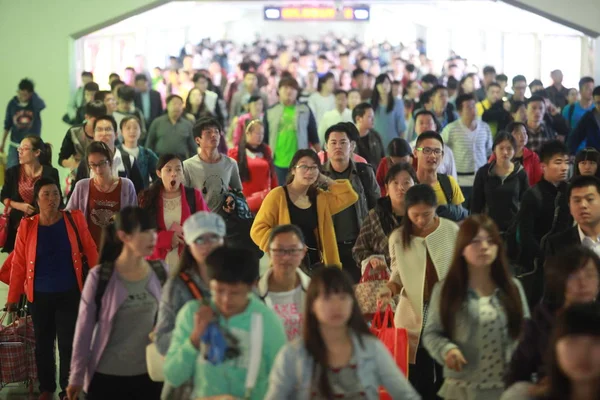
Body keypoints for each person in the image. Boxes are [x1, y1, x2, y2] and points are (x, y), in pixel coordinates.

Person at [264, 266, 421, 400]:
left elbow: (405, 395)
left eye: (342, 297)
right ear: (312, 305)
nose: (336, 305)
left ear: (353, 302)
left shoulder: (371, 348)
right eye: (327, 297)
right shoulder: (292, 355)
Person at [6, 177, 98, 400]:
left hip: (70, 293)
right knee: (43, 345)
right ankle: (46, 387)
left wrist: (100, 283)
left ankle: (68, 388)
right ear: (37, 199)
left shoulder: (74, 219)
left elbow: (91, 250)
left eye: (55, 193)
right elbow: (18, 263)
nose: (52, 199)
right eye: (46, 194)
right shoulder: (27, 226)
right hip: (38, 296)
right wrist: (12, 298)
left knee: (68, 343)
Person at [423, 215, 530, 400]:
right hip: (463, 389)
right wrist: (446, 350)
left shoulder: (512, 287)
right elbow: (432, 333)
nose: (484, 247)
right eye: (475, 241)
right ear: (462, 248)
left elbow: (526, 332)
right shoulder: (446, 289)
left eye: (490, 241)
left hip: (507, 388)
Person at [67, 207, 166, 400]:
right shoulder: (100, 277)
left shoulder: (160, 272)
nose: (153, 237)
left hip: (150, 376)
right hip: (106, 378)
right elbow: (84, 330)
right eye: (145, 231)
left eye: (154, 230)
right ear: (124, 236)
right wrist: (76, 377)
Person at [163, 246, 287, 400]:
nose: (226, 300)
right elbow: (173, 376)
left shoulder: (268, 322)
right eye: (219, 290)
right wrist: (194, 339)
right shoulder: (192, 313)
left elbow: (283, 385)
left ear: (252, 286)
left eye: (235, 292)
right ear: (210, 284)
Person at [382, 183, 459, 399]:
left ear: (436, 208)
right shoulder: (398, 237)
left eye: (427, 214)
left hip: (445, 309)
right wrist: (390, 288)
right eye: (415, 215)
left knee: (446, 365)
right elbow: (397, 273)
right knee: (418, 369)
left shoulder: (451, 231)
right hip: (414, 311)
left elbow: (461, 270)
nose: (421, 220)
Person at [153, 211, 225, 400]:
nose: (208, 245)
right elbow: (161, 341)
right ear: (189, 245)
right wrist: (192, 333)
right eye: (200, 240)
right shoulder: (177, 286)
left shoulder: (238, 281)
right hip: (191, 381)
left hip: (229, 379)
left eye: (214, 237)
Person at [506, 246, 600, 387]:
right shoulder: (542, 322)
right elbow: (516, 373)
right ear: (560, 281)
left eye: (590, 274)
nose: (583, 283)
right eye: (573, 275)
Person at [251, 149, 358, 271]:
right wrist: (284, 247)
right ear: (293, 170)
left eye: (314, 167)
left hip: (320, 267)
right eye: (303, 166)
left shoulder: (320, 197)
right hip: (288, 266)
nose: (309, 171)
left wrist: (324, 179)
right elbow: (257, 230)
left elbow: (349, 196)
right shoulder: (278, 195)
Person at [500, 302, 600, 400]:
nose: (583, 353)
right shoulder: (522, 396)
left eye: (596, 342)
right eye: (573, 342)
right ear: (555, 348)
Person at [321, 122, 381, 282]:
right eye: (333, 143)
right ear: (326, 146)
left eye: (343, 142)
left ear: (352, 146)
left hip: (359, 246)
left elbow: (377, 210)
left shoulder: (364, 173)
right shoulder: (318, 176)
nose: (338, 147)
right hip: (329, 247)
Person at [517, 140, 572, 308]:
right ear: (543, 166)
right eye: (558, 162)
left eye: (566, 162)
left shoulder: (570, 192)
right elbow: (525, 235)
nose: (564, 167)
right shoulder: (533, 195)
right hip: (538, 267)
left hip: (565, 264)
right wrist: (545, 258)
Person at [139, 154, 209, 266]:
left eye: (178, 169)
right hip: (157, 263)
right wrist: (167, 238)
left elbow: (207, 225)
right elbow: (141, 233)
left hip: (188, 262)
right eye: (168, 170)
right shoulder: (147, 198)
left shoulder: (194, 195)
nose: (174, 174)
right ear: (159, 173)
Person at [66, 141, 138, 247]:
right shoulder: (82, 186)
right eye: (93, 165)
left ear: (110, 161)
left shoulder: (126, 186)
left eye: (101, 163)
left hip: (118, 248)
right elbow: (69, 217)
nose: (98, 169)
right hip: (89, 249)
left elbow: (134, 219)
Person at [1, 136, 60, 253]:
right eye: (19, 149)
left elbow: (58, 199)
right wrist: (19, 205)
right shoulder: (12, 172)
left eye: (25, 148)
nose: (20, 152)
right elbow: (3, 196)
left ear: (37, 152)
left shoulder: (50, 172)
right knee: (16, 265)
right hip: (16, 228)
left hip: (42, 226)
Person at [353, 162, 416, 272]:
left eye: (406, 182)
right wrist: (372, 259)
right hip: (385, 280)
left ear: (414, 185)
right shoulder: (375, 216)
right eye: (395, 183)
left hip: (417, 277)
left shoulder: (420, 214)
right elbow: (358, 251)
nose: (401, 187)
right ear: (387, 187)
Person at [257, 224, 311, 341]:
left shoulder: (316, 290)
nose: (286, 257)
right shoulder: (254, 294)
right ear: (269, 252)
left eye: (292, 250)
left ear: (303, 251)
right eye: (279, 250)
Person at [264, 76, 321, 185]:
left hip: (300, 162)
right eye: (285, 87)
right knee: (281, 193)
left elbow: (314, 136)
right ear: (278, 91)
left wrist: (322, 158)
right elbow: (265, 138)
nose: (288, 91)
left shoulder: (305, 110)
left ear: (297, 92)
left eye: (292, 88)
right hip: (277, 162)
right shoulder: (271, 111)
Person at [471, 132, 529, 232]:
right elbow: (476, 204)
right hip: (489, 229)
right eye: (501, 148)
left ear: (514, 151)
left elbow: (526, 204)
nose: (505, 152)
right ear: (494, 150)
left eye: (509, 148)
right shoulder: (484, 172)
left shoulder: (520, 173)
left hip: (513, 229)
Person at [183, 116, 243, 211]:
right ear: (198, 140)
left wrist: (232, 198)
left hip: (224, 220)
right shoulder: (188, 166)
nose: (213, 135)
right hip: (199, 219)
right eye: (208, 132)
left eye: (216, 131)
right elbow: (183, 196)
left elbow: (238, 192)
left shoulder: (230, 163)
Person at [441, 94, 493, 204]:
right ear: (459, 112)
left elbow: (489, 151)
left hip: (481, 180)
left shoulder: (485, 127)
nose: (473, 109)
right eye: (468, 107)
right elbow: (441, 150)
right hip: (460, 182)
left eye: (474, 106)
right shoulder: (451, 129)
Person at [73, 115, 144, 194]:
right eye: (99, 129)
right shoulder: (85, 162)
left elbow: (139, 192)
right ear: (93, 135)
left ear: (116, 135)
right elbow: (76, 193)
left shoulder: (129, 160)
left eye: (108, 129)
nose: (104, 133)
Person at [412, 131, 468, 221]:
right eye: (427, 150)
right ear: (415, 152)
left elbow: (460, 217)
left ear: (442, 155)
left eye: (437, 151)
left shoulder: (449, 182)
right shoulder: (407, 184)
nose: (432, 155)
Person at [227, 119, 277, 213]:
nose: (260, 137)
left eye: (262, 134)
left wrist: (275, 192)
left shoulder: (266, 150)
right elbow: (230, 180)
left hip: (264, 199)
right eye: (257, 133)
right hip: (245, 200)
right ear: (247, 133)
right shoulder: (235, 153)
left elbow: (272, 176)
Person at [59, 101, 107, 196]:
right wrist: (74, 164)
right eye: (95, 120)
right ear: (86, 117)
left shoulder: (106, 134)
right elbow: (61, 159)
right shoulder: (74, 132)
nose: (98, 124)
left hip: (102, 178)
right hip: (77, 178)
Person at [1, 78, 46, 168]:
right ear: (19, 92)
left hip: (31, 146)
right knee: (12, 171)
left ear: (31, 94)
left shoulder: (34, 104)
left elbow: (42, 105)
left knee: (29, 171)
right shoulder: (12, 104)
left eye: (27, 94)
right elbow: (7, 124)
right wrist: (2, 143)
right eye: (22, 93)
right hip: (15, 144)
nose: (24, 96)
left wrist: (33, 95)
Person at [488, 122, 543, 187]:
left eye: (525, 133)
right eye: (517, 133)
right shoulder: (497, 154)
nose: (523, 136)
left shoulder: (533, 156)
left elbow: (538, 180)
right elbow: (489, 176)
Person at [146, 94, 196, 160]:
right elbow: (149, 144)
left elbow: (192, 148)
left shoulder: (187, 124)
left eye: (180, 104)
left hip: (181, 161)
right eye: (174, 104)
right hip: (159, 161)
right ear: (167, 106)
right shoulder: (157, 122)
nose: (177, 107)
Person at [410, 109, 457, 179]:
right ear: (415, 128)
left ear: (435, 126)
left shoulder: (446, 151)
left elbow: (452, 178)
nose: (425, 126)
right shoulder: (409, 148)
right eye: (421, 123)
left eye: (429, 123)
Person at [118, 116, 159, 189]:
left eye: (135, 128)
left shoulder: (147, 153)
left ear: (140, 131)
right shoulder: (116, 152)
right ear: (121, 132)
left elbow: (159, 172)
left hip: (142, 196)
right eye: (128, 128)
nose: (132, 131)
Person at [371, 73, 406, 146]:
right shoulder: (370, 103)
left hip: (393, 143)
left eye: (387, 83)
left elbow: (401, 128)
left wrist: (402, 145)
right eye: (381, 83)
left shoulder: (398, 102)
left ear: (390, 85)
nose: (384, 86)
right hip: (374, 143)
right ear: (376, 86)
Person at [568, 86, 600, 153]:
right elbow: (574, 138)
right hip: (594, 159)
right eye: (598, 103)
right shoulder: (589, 117)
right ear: (593, 102)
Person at [353, 102, 385, 169]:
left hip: (374, 176)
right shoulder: (349, 138)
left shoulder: (376, 136)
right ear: (358, 119)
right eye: (370, 117)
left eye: (373, 117)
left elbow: (382, 159)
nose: (373, 120)